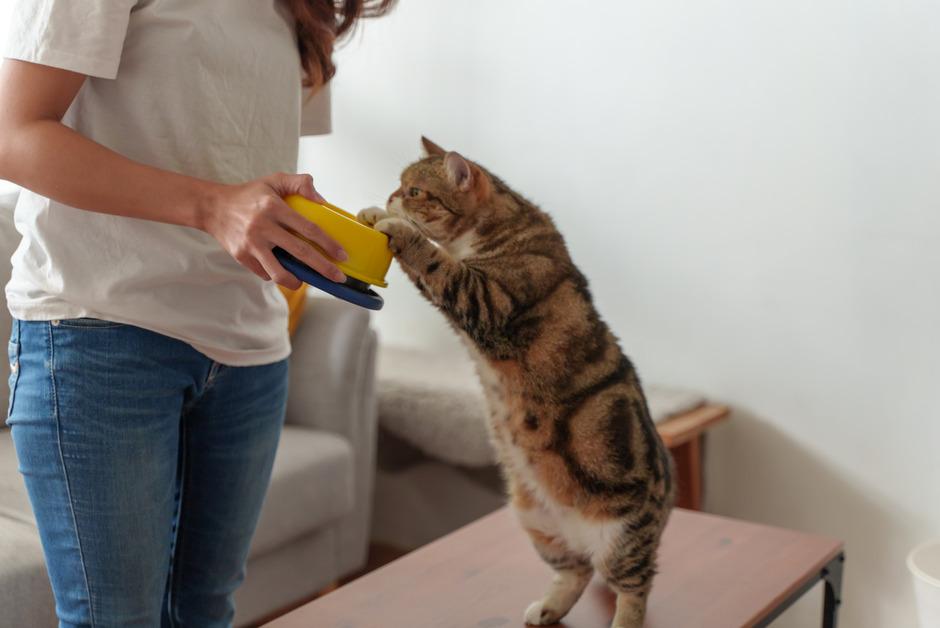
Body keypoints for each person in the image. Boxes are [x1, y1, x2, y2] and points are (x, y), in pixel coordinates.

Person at [0, 0, 393, 626]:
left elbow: (242, 156)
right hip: (101, 332)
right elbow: (13, 134)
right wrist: (214, 209)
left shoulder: (302, 6)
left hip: (250, 347)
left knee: (204, 613)